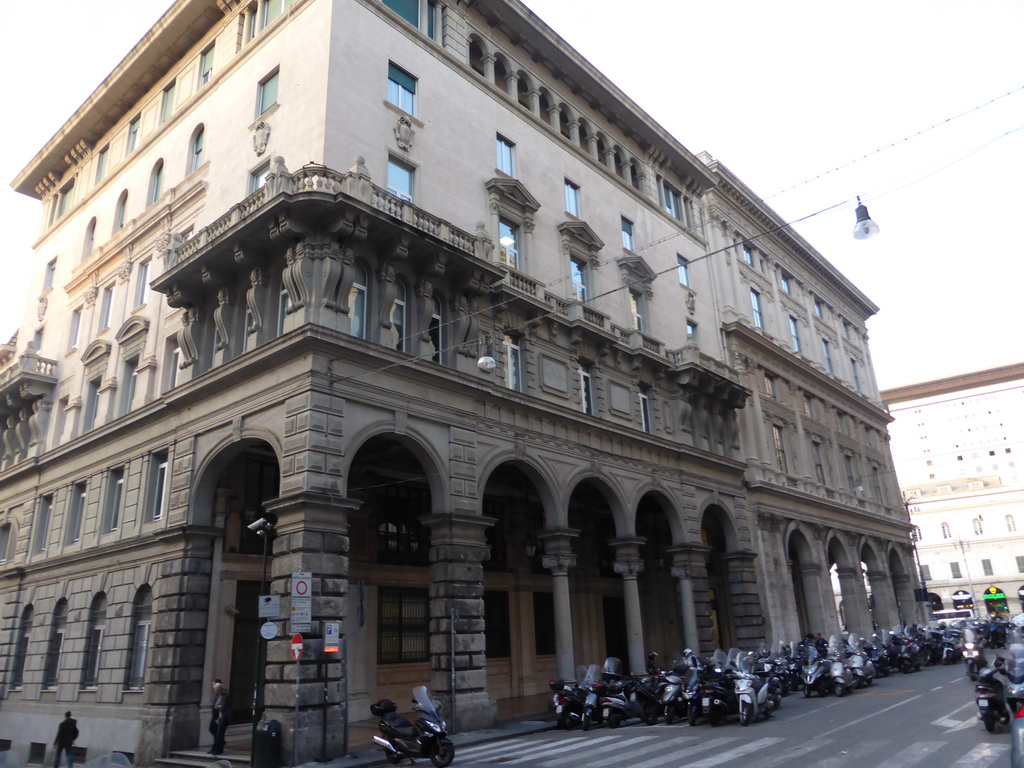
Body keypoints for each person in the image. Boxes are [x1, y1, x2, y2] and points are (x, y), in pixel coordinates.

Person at [209, 680, 230, 755]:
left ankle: (218, 749)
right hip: (216, 717)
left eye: (215, 689)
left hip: (223, 717)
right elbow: (216, 706)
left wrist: (218, 707)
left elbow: (222, 707)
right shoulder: (217, 696)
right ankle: (216, 747)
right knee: (213, 730)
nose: (214, 690)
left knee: (220, 733)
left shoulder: (225, 696)